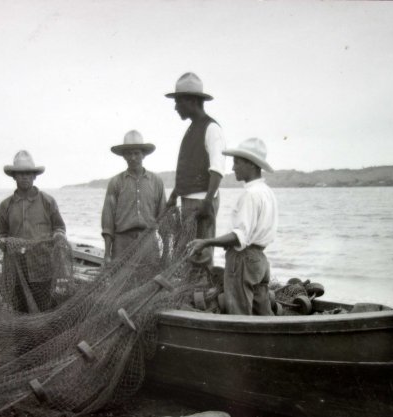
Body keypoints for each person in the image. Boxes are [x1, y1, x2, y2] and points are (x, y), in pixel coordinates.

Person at [187, 138, 277, 315]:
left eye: (236, 162)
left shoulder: (250, 195)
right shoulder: (268, 192)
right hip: (260, 261)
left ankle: (242, 343)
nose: (233, 167)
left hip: (243, 259)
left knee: (239, 314)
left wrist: (206, 242)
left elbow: (239, 237)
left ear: (250, 164)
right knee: (263, 314)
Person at [165, 72, 226, 265]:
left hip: (202, 203)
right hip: (188, 200)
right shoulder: (192, 127)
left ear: (191, 100)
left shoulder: (211, 128)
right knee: (187, 255)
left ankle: (199, 291)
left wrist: (208, 202)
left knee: (201, 256)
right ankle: (191, 290)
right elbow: (189, 168)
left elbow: (217, 169)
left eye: (178, 102)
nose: (175, 108)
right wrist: (175, 195)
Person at [0, 150, 69, 313]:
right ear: (14, 176)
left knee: (44, 309)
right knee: (19, 310)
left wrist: (58, 236)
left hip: (43, 268)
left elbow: (59, 227)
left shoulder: (48, 201)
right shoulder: (5, 205)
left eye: (28, 173)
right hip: (16, 269)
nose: (24, 177)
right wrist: (3, 242)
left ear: (34, 176)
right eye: (20, 174)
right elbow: (1, 234)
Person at [101, 130, 167, 266]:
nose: (133, 157)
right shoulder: (116, 182)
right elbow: (108, 222)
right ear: (124, 156)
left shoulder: (156, 182)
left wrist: (166, 254)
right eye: (129, 153)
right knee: (121, 285)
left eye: (136, 153)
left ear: (143, 155)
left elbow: (164, 218)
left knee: (148, 282)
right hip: (122, 244)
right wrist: (107, 254)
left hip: (148, 243)